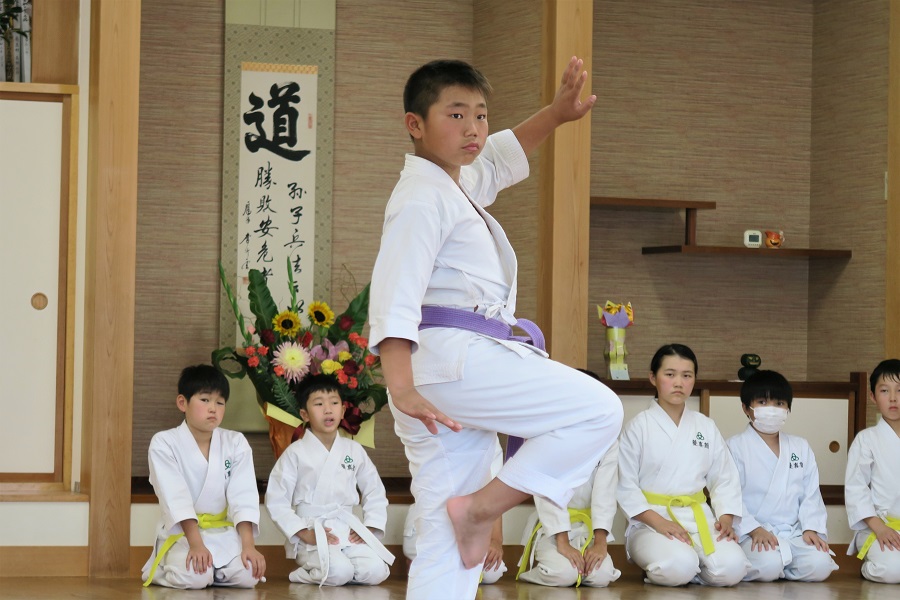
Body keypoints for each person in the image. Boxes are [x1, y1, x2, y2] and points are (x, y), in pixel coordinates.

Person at [368, 56, 623, 599]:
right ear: (415, 124)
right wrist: (402, 386)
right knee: (599, 409)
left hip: (446, 369)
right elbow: (394, 293)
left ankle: (468, 516)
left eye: (480, 116)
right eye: (456, 115)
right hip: (448, 364)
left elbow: (501, 159)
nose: (473, 129)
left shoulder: (452, 185)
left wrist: (555, 115)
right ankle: (481, 508)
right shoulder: (420, 198)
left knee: (443, 535)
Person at [617, 344, 749, 587]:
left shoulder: (705, 426)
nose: (679, 382)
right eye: (670, 374)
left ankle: (694, 569)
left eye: (686, 375)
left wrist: (726, 518)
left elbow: (724, 478)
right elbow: (625, 486)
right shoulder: (638, 427)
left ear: (694, 380)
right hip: (650, 523)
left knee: (733, 569)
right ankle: (684, 567)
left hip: (698, 517)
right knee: (677, 567)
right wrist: (660, 522)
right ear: (652, 378)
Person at [141, 365, 265, 589]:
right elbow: (175, 498)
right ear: (182, 403)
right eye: (205, 400)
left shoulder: (235, 442)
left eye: (220, 402)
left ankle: (214, 572)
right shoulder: (164, 443)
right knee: (196, 577)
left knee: (249, 577)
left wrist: (248, 545)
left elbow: (243, 496)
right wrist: (196, 545)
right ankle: (161, 570)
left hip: (223, 532)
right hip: (184, 535)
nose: (213, 409)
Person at [264, 375, 394, 586]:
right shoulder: (295, 453)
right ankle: (302, 575)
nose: (328, 409)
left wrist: (369, 527)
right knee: (338, 572)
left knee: (376, 571)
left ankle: (344, 570)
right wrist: (302, 533)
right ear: (304, 414)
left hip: (347, 528)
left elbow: (374, 491)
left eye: (334, 403)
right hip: (313, 532)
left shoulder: (354, 450)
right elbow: (276, 500)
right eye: (319, 403)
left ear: (343, 410)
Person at [727, 370, 837, 582]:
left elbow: (811, 494)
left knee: (820, 565)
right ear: (745, 408)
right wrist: (754, 529)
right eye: (762, 402)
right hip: (752, 533)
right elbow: (730, 496)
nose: (772, 410)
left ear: (788, 408)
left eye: (779, 404)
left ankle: (783, 563)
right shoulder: (735, 447)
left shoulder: (800, 446)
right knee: (768, 564)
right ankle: (777, 564)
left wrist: (810, 528)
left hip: (793, 533)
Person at [403, 438, 508, 585]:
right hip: (436, 514)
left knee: (492, 573)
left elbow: (494, 498)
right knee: (439, 569)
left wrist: (496, 542)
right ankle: (418, 559)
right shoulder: (438, 425)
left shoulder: (491, 439)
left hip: (473, 519)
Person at [517, 441, 621, 588]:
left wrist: (600, 543)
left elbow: (606, 493)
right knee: (563, 574)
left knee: (601, 576)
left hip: (588, 527)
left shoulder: (608, 439)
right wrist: (563, 542)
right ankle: (529, 574)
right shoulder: (551, 435)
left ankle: (579, 571)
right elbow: (547, 489)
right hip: (552, 527)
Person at [845, 358, 900, 583]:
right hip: (878, 527)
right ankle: (869, 567)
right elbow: (856, 489)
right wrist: (880, 528)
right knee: (892, 570)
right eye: (885, 391)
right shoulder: (866, 440)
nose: (894, 398)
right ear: (873, 396)